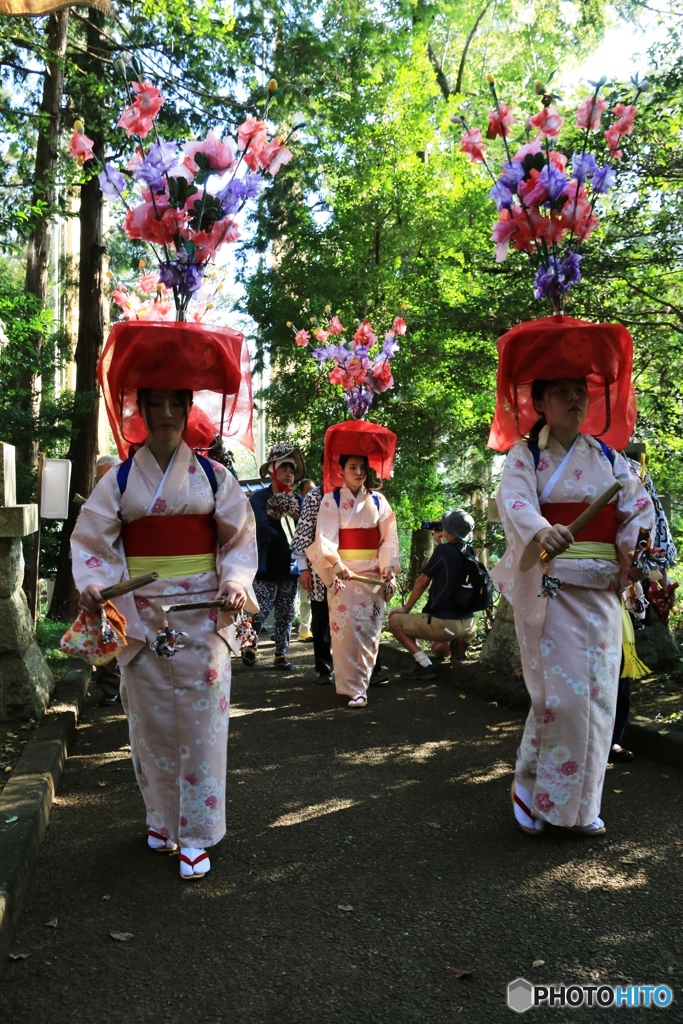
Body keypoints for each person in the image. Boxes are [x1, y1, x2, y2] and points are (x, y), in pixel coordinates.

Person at [71, 319, 258, 880]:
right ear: (142, 410)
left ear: (187, 406)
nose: (167, 415)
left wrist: (236, 579)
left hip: (203, 613)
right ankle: (160, 817)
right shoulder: (121, 479)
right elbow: (93, 538)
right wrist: (95, 582)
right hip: (144, 616)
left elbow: (240, 540)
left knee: (203, 728)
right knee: (148, 725)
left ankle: (197, 830)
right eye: (155, 404)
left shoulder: (214, 476)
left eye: (176, 403)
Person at [490, 314, 655, 838]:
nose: (574, 400)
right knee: (558, 699)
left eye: (579, 390)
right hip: (553, 588)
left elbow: (637, 512)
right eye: (560, 391)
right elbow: (513, 500)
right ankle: (529, 787)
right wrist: (541, 531)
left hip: (602, 591)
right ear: (538, 402)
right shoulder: (527, 455)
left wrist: (633, 554)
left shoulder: (609, 457)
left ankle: (578, 809)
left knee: (600, 699)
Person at [307, 420, 400, 708]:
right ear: (341, 470)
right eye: (352, 468)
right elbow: (325, 536)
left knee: (370, 632)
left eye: (362, 467)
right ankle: (351, 688)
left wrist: (388, 571)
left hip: (372, 575)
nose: (359, 473)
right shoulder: (330, 501)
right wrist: (335, 563)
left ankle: (363, 683)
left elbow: (388, 539)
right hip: (344, 576)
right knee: (345, 633)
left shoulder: (379, 501)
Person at [388, 509, 478, 680]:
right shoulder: (470, 551)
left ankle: (424, 665)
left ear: (448, 530)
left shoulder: (443, 551)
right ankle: (458, 642)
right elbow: (451, 562)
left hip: (445, 623)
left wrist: (406, 608)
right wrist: (439, 541)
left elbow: (422, 581)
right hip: (468, 623)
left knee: (394, 621)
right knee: (438, 649)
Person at [247, 443, 305, 671]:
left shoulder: (299, 501)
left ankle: (281, 654)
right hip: (265, 563)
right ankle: (250, 645)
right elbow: (260, 527)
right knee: (259, 609)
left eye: (292, 470)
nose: (289, 474)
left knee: (286, 612)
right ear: (273, 470)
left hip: (290, 567)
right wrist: (288, 544)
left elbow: (306, 530)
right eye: (284, 469)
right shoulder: (260, 498)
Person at [291, 477, 334, 683]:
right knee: (321, 617)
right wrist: (304, 569)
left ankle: (360, 667)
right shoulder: (314, 496)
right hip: (321, 566)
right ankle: (324, 668)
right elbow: (304, 535)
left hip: (354, 566)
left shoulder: (359, 494)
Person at [92, 455, 123, 707]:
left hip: (133, 575)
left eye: (111, 475)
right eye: (101, 477)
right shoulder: (91, 506)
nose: (107, 481)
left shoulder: (134, 498)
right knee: (105, 629)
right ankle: (110, 685)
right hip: (103, 577)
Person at [296, 477, 317, 642]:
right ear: (300, 493)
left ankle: (309, 630)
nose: (312, 494)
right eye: (308, 492)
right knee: (304, 599)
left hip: (318, 561)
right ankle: (303, 630)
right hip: (299, 562)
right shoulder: (293, 509)